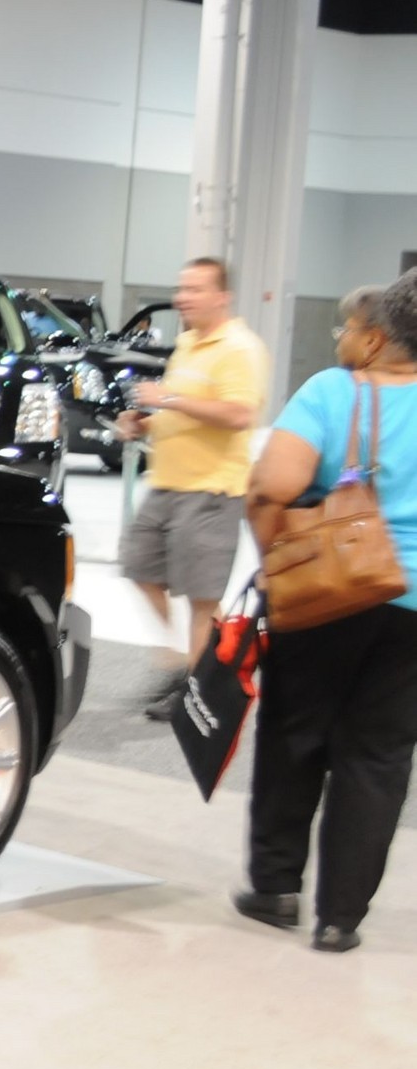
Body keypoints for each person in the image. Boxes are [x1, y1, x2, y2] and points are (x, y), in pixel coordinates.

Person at [233, 278, 417, 953]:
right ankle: (341, 917)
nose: (338, 339)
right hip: (412, 610)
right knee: (379, 756)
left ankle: (275, 887)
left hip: (324, 594)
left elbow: (270, 486)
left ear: (374, 338)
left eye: (345, 328)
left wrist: (274, 559)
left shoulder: (333, 391)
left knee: (294, 734)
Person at [117, 257, 268, 719]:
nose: (183, 297)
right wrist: (145, 424)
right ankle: (182, 663)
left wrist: (167, 398)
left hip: (211, 490)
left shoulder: (240, 348)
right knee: (140, 568)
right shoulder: (187, 344)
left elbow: (239, 415)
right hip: (166, 484)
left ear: (222, 296)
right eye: (182, 288)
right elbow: (185, 411)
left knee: (200, 596)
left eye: (196, 289)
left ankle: (197, 688)